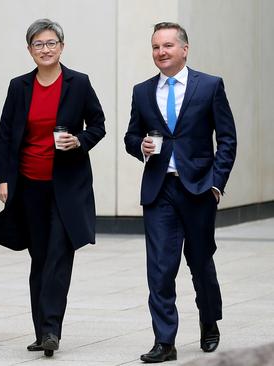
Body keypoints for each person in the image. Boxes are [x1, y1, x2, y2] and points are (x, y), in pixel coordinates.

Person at [124, 22, 237, 363]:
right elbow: (131, 137)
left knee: (200, 263)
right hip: (159, 191)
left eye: (168, 46)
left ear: (184, 49)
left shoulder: (210, 86)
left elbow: (227, 139)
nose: (161, 52)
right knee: (159, 268)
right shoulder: (142, 91)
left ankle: (209, 321)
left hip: (200, 189)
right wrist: (140, 146)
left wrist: (217, 183)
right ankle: (164, 341)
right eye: (156, 47)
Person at [0, 18, 106, 357]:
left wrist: (79, 141)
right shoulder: (19, 87)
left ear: (61, 46)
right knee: (39, 258)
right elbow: (6, 135)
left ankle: (52, 329)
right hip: (29, 186)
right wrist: (2, 179)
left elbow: (99, 125)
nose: (45, 49)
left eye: (51, 43)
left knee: (59, 253)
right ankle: (41, 329)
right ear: (30, 50)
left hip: (67, 186)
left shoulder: (79, 83)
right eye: (38, 44)